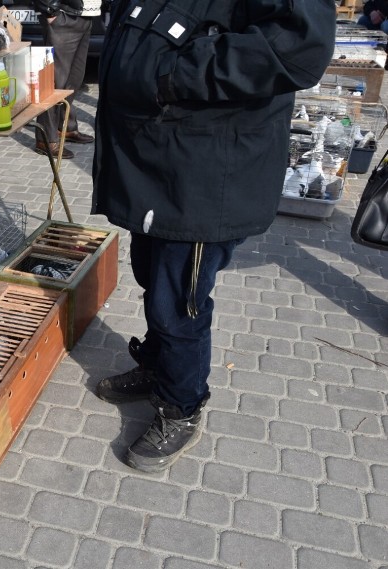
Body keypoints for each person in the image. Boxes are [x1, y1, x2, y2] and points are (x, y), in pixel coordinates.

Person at [91, 1, 336, 472]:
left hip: (203, 173)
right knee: (153, 276)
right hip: (159, 163)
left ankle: (182, 405)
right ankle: (161, 369)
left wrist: (171, 74)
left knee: (178, 300)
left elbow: (299, 48)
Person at [31, 0, 98, 160]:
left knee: (74, 79)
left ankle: (65, 126)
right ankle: (46, 138)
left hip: (85, 15)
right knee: (54, 82)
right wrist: (50, 10)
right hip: (63, 14)